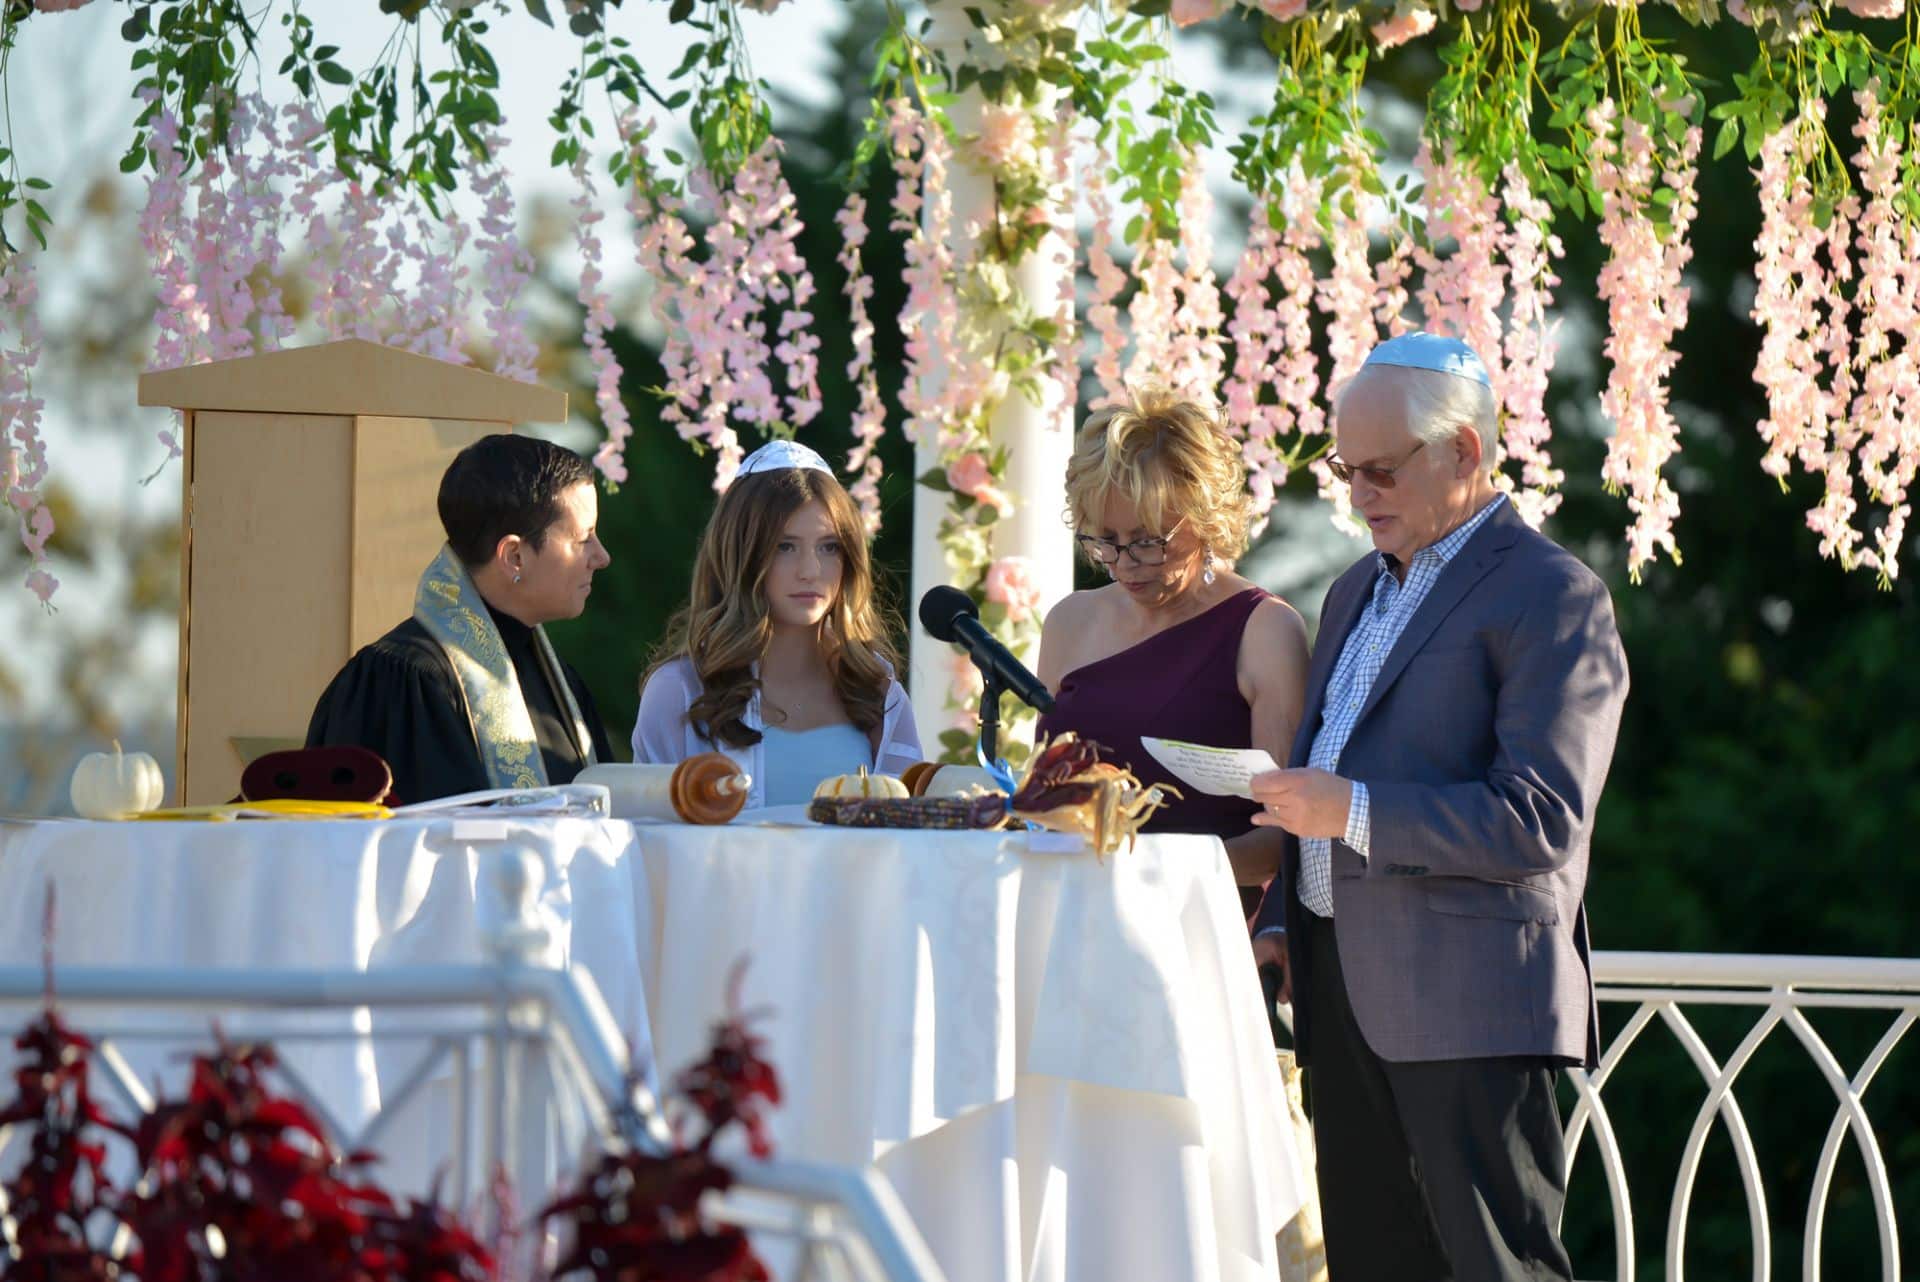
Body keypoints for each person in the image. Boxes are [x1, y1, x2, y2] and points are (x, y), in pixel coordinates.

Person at [1247, 332, 1630, 1282]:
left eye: (1379, 470)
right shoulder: (1349, 593)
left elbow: (1541, 819)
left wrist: (1356, 812)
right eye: (1346, 470)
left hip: (1473, 1001)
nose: (1358, 494)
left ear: (1463, 451)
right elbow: (1325, 762)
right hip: (1338, 995)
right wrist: (1286, 921)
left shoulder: (1555, 596)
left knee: (1499, 1270)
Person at [1035, 388, 1310, 912]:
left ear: (1204, 518)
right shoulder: (1069, 622)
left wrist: (1148, 867)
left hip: (1197, 926)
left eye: (1149, 539)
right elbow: (1045, 795)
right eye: (1104, 540)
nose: (1125, 562)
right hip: (1070, 912)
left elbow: (1285, 839)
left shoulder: (1265, 630)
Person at [306, 433, 614, 803]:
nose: (601, 557)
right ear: (514, 556)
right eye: (584, 539)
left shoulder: (560, 683)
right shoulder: (401, 684)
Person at [632, 440, 920, 807]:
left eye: (829, 547)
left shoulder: (879, 692)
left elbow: (911, 840)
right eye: (785, 546)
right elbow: (650, 840)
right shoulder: (681, 692)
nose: (810, 571)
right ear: (741, 554)